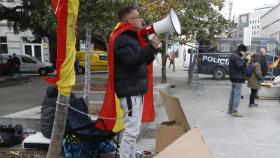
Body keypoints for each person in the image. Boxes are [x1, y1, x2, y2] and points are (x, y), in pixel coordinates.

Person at [113, 6, 161, 158]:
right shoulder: (121, 38)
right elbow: (131, 61)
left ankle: (131, 155)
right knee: (132, 130)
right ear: (130, 20)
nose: (141, 20)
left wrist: (152, 48)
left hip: (134, 89)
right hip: (129, 90)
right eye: (138, 17)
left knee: (134, 129)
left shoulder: (132, 38)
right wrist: (150, 47)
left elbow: (144, 60)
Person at [228, 44, 248, 117]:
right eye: (244, 52)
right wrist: (245, 59)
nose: (245, 53)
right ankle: (235, 111)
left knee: (233, 94)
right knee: (237, 95)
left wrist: (242, 59)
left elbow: (238, 65)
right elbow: (239, 66)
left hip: (234, 78)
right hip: (238, 78)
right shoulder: (236, 56)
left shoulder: (234, 55)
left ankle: (230, 109)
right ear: (241, 50)